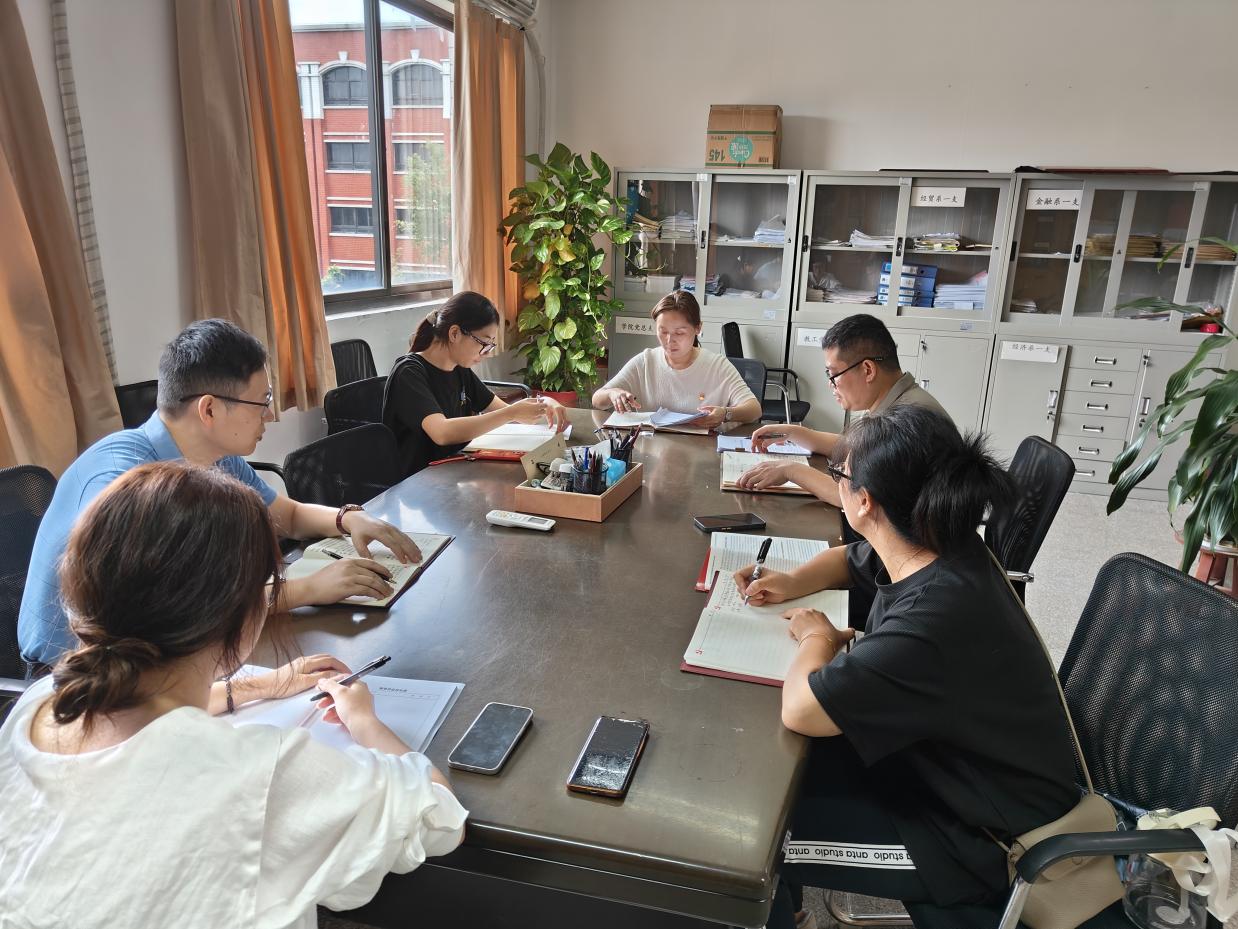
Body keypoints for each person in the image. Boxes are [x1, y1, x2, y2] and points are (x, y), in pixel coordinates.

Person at [0, 462, 466, 927]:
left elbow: (143, 713)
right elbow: (439, 817)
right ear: (241, 611)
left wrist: (259, 685)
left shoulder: (42, 702)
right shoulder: (256, 773)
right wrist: (364, 721)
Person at [732, 405, 1076, 926]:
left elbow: (802, 709)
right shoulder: (934, 543)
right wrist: (792, 581)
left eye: (838, 474)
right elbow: (850, 561)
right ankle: (791, 909)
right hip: (933, 768)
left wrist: (817, 637)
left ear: (865, 501)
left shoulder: (934, 618)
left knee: (758, 839)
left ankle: (781, 907)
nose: (835, 482)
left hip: (974, 840)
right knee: (770, 771)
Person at [18, 319, 419, 673]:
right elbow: (175, 608)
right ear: (208, 410)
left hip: (169, 654)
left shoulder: (215, 457)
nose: (269, 415)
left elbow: (289, 516)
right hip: (81, 676)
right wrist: (308, 589)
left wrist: (348, 518)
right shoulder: (125, 483)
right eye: (261, 402)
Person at [735, 313, 950, 506]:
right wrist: (794, 433)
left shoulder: (905, 420)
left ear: (868, 370)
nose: (831, 384)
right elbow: (856, 446)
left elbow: (855, 499)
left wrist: (790, 470)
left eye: (833, 374)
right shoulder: (896, 398)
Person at [383, 291, 570, 475]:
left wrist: (543, 404)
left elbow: (505, 411)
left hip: (455, 471)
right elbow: (442, 433)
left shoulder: (459, 369)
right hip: (419, 481)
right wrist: (511, 413)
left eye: (490, 345)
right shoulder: (409, 372)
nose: (486, 353)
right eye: (483, 343)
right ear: (454, 333)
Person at [591, 291, 761, 428]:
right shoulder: (646, 361)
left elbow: (754, 409)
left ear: (698, 328)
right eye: (663, 331)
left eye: (679, 333)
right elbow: (597, 400)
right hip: (652, 449)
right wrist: (613, 393)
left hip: (701, 451)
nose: (669, 340)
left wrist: (725, 414)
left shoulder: (717, 366)